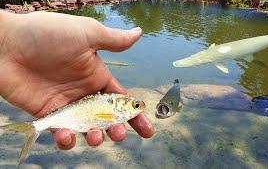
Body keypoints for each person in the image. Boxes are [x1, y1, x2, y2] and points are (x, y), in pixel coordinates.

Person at [0, 10, 155, 150]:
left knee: (72, 136)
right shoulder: (114, 108)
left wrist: (6, 33)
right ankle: (36, 127)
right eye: (135, 105)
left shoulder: (114, 108)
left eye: (135, 105)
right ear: (121, 105)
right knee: (73, 136)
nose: (139, 106)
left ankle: (36, 127)